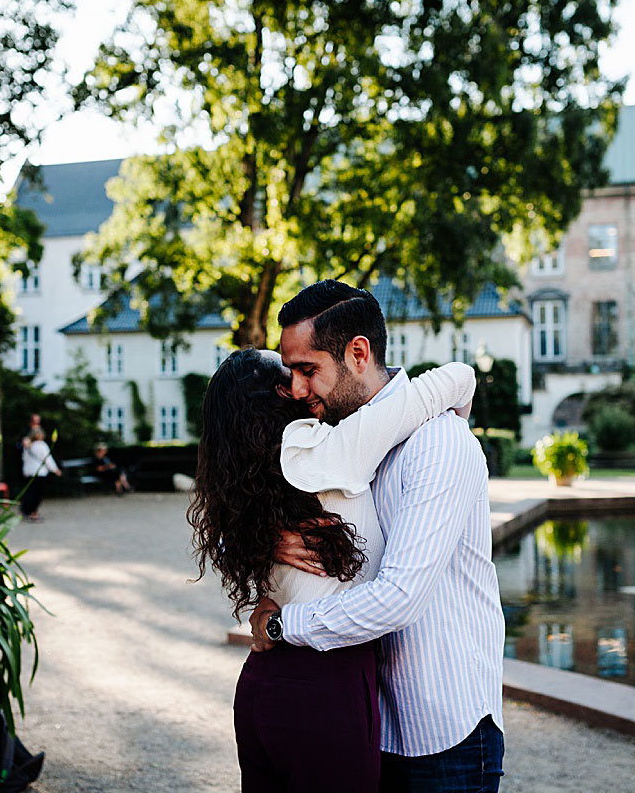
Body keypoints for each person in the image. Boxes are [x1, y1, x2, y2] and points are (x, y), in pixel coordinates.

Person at [248, 280, 505, 793]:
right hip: (372, 724)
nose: (297, 389)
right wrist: (265, 542)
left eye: (307, 370)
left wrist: (280, 627)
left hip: (445, 736)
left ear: (358, 354)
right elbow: (240, 505)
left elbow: (397, 599)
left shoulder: (439, 444)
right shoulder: (340, 442)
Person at [190, 346, 475, 792]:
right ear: (279, 393)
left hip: (261, 686)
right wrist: (461, 411)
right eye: (293, 373)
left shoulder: (248, 477)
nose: (304, 383)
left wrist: (263, 542)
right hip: (325, 684)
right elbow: (451, 379)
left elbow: (224, 542)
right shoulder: (326, 450)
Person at [20, 427, 61, 522]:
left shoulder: (27, 446)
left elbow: (24, 459)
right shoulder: (41, 445)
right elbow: (47, 459)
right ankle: (33, 512)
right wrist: (55, 469)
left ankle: (27, 511)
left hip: (29, 472)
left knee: (29, 492)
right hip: (40, 473)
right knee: (37, 494)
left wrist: (25, 471)